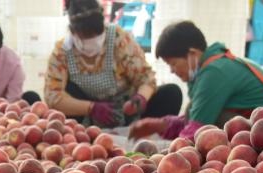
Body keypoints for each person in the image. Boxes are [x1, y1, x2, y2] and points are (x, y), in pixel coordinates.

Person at [130, 21, 263, 141]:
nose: (172, 70)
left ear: (192, 54)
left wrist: (166, 159)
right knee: (192, 110)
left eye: (173, 63)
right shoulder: (210, 68)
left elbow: (196, 129)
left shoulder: (214, 72)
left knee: (215, 123)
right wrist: (159, 125)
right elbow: (194, 116)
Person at [44, 0, 181, 128]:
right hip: (88, 117)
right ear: (73, 32)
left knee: (171, 93)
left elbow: (145, 77)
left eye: (96, 35)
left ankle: (141, 130)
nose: (93, 41)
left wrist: (139, 99)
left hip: (128, 111)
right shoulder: (63, 51)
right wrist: (92, 108)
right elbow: (52, 96)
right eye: (86, 37)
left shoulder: (119, 38)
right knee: (64, 98)